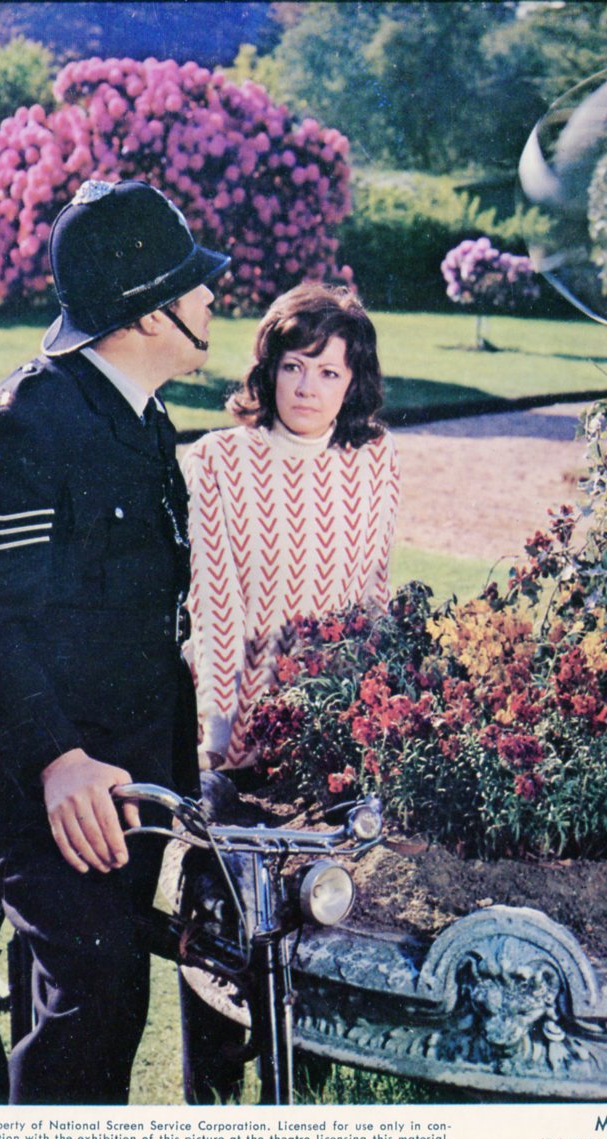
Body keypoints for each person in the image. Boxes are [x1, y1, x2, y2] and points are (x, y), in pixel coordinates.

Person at [0, 180, 229, 1104]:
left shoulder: (137, 414)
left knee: (88, 991)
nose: (210, 295)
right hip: (33, 776)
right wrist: (57, 760)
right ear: (146, 314)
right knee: (99, 993)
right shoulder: (30, 423)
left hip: (122, 777)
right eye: (191, 283)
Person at [184, 281, 400, 775]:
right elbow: (214, 603)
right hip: (236, 733)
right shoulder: (219, 460)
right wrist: (217, 737)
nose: (307, 388)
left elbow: (373, 595)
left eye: (328, 372)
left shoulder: (376, 456)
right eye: (293, 367)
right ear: (270, 371)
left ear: (352, 382)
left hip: (333, 734)